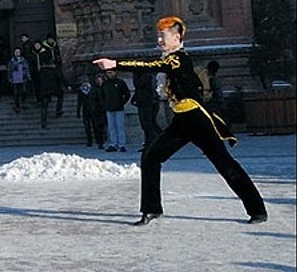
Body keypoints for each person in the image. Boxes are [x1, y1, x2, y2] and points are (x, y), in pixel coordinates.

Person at [94, 16, 267, 227]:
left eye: (163, 35)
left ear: (177, 37)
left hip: (197, 119)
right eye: (158, 35)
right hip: (181, 121)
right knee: (150, 157)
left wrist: (116, 63)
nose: (159, 39)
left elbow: (153, 65)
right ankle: (151, 209)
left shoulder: (178, 59)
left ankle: (257, 209)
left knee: (224, 163)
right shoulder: (171, 58)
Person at [99, 70, 132, 153]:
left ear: (115, 73)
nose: (110, 74)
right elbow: (101, 95)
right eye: (108, 73)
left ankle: (122, 144)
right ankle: (113, 144)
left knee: (120, 127)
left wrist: (122, 102)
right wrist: (104, 104)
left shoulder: (120, 82)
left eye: (111, 72)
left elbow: (127, 94)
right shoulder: (105, 84)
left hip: (119, 108)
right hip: (109, 108)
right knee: (111, 127)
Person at [130, 70, 162, 150]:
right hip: (146, 102)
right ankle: (149, 143)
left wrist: (135, 75)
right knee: (147, 124)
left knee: (149, 125)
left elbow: (138, 85)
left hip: (147, 103)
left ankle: (155, 142)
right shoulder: (147, 75)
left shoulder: (146, 76)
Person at [76, 77, 107, 148]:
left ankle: (98, 140)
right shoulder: (80, 91)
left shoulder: (93, 89)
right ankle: (89, 140)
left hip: (94, 109)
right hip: (86, 110)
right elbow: (79, 102)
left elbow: (98, 99)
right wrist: (78, 112)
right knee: (87, 127)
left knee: (96, 126)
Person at [7, 48, 32, 113]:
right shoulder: (11, 61)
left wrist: (28, 76)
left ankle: (23, 101)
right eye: (16, 52)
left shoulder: (24, 60)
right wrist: (10, 78)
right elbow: (9, 70)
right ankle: (17, 106)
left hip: (23, 78)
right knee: (16, 93)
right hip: (15, 79)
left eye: (18, 52)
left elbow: (27, 68)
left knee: (24, 91)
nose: (17, 53)